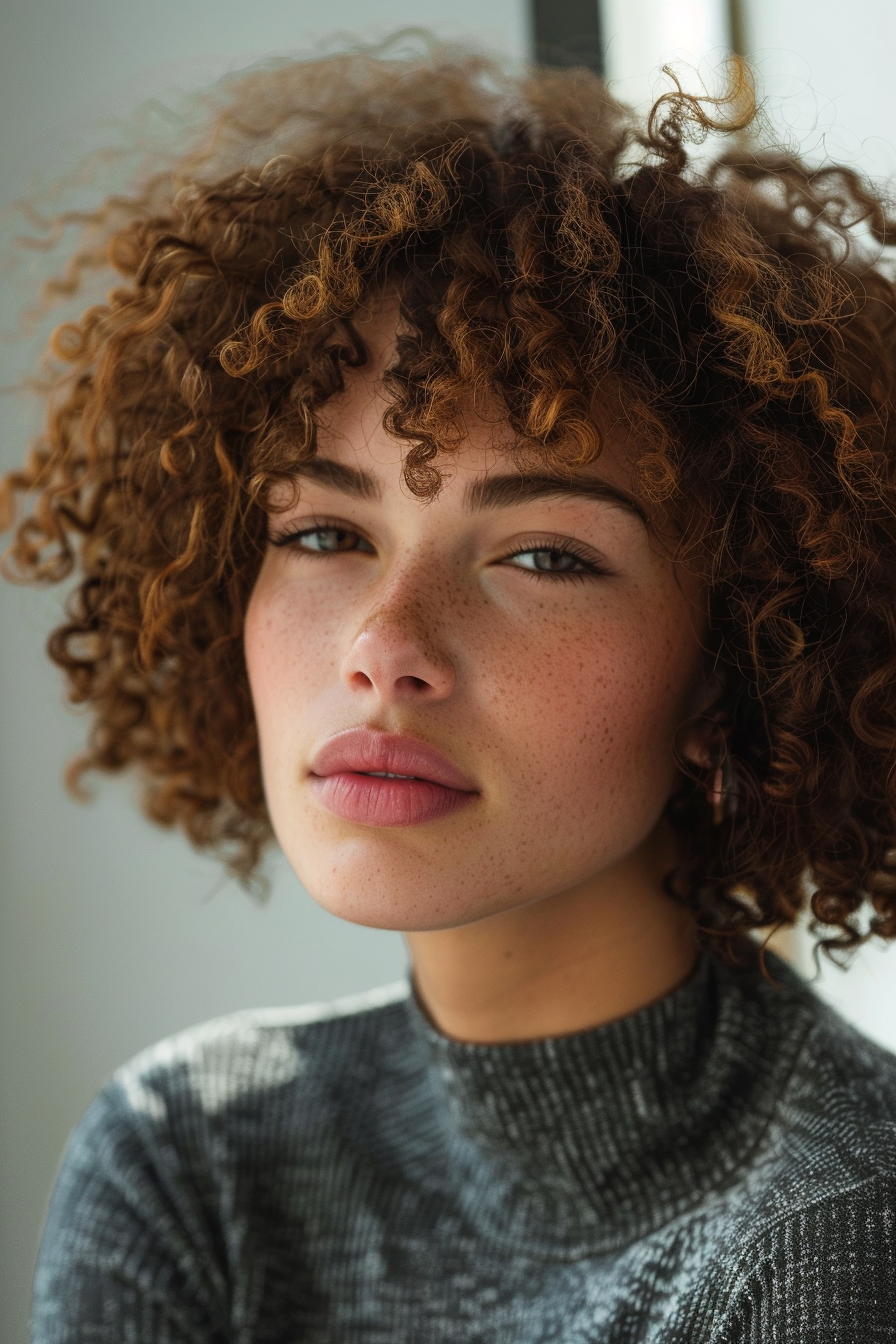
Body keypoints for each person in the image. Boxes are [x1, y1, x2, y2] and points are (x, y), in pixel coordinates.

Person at [4, 41, 896, 1343]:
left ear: (740, 662)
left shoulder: (837, 1232)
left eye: (544, 555)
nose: (383, 644)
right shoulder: (191, 1159)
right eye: (322, 533)